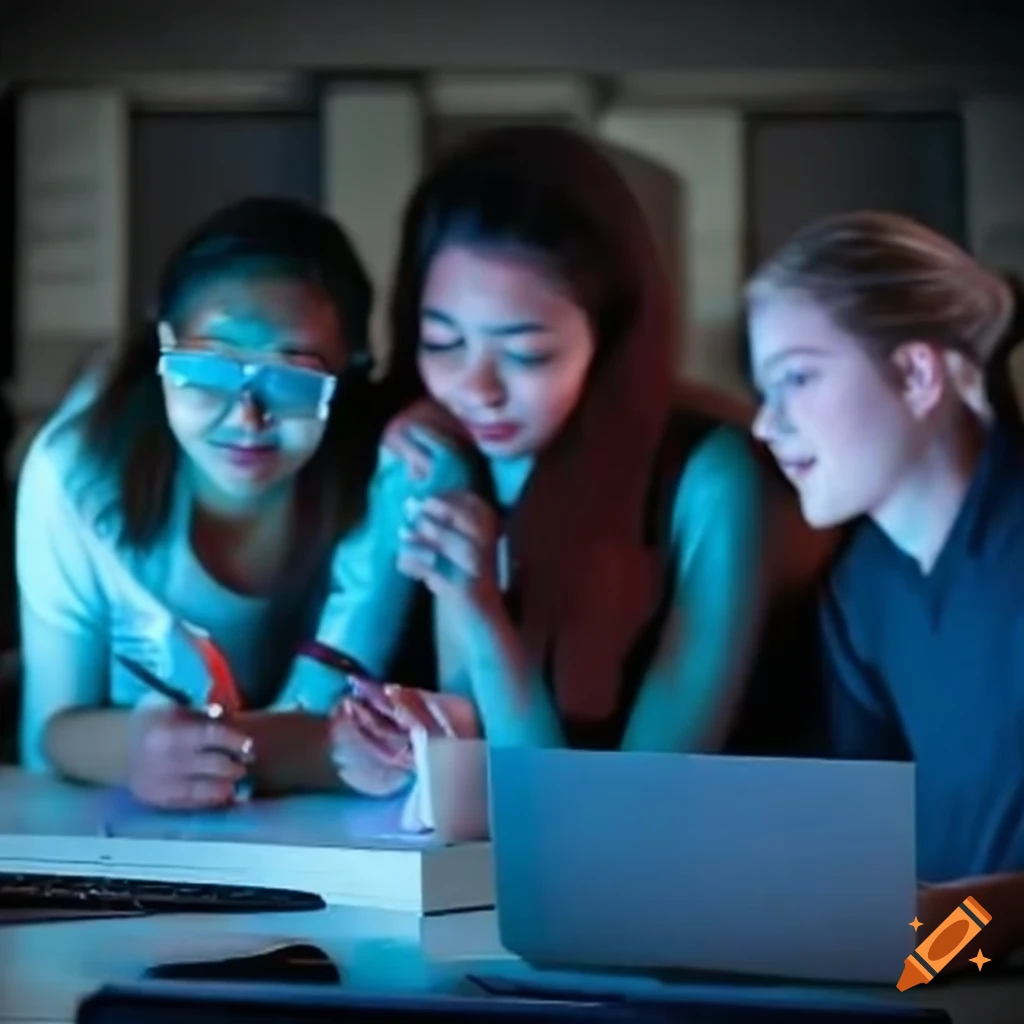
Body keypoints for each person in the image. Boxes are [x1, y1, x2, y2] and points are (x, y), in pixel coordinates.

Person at [16, 196, 451, 808]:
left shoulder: (385, 480)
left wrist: (302, 749)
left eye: (293, 378)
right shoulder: (77, 478)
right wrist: (137, 751)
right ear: (164, 345)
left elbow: (358, 740)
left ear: (346, 375)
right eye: (208, 369)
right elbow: (50, 736)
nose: (248, 417)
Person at [364, 124, 775, 754]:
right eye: (442, 343)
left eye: (527, 354)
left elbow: (643, 796)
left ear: (608, 341)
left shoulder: (705, 480)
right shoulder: (425, 448)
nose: (477, 388)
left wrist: (482, 620)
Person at [747, 210, 1024, 957]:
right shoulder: (859, 591)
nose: (766, 425)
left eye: (797, 378)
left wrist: (948, 938)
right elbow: (862, 838)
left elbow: (954, 930)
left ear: (915, 374)